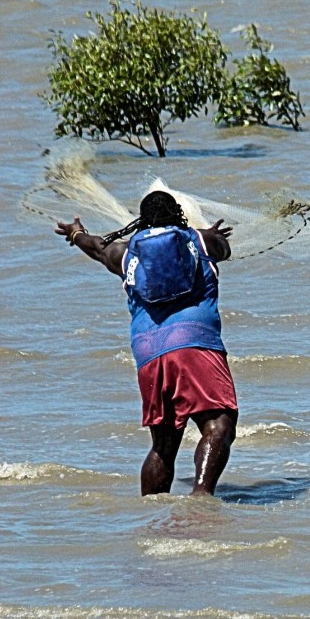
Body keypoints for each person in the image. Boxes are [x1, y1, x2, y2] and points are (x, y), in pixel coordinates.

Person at [55, 190, 238, 497]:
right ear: (179, 215)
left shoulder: (126, 254)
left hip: (149, 353)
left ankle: (152, 515)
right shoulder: (202, 242)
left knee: (164, 444)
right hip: (196, 344)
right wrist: (210, 234)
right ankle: (201, 497)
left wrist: (76, 233)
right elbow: (225, 248)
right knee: (219, 424)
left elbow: (98, 248)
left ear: (142, 221)